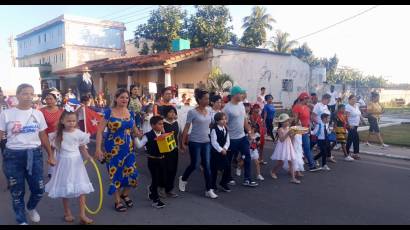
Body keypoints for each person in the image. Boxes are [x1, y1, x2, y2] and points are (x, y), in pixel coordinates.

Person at [0, 83, 56, 225]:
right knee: (17, 192)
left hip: (34, 155)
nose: (29, 96)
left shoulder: (38, 114)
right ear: (17, 95)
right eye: (25, 93)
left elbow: (43, 135)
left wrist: (50, 155)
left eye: (32, 94)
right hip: (13, 156)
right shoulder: (6, 114)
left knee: (39, 189)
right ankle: (21, 220)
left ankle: (30, 208)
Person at [45, 110, 94, 224]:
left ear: (76, 121)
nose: (71, 123)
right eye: (68, 121)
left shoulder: (79, 133)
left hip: (77, 163)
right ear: (62, 121)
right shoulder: (57, 134)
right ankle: (67, 212)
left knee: (82, 189)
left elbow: (82, 147)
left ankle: (82, 215)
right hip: (63, 163)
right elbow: (52, 148)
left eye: (73, 121)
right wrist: (51, 157)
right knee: (65, 188)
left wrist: (88, 157)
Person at [95, 88, 139, 212]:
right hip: (112, 149)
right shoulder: (109, 112)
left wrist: (143, 134)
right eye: (122, 97)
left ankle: (124, 194)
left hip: (128, 149)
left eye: (126, 97)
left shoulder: (131, 113)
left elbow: (134, 130)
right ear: (116, 98)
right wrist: (98, 149)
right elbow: (99, 131)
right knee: (115, 174)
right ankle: (117, 201)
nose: (124, 99)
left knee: (132, 173)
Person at [179, 89, 216, 198]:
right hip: (194, 142)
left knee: (207, 166)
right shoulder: (192, 112)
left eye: (208, 98)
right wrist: (182, 143)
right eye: (205, 98)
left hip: (206, 142)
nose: (208, 100)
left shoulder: (209, 110)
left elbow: (211, 124)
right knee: (194, 164)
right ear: (199, 99)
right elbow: (186, 128)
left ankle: (209, 189)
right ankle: (183, 179)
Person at [223, 86, 258, 187]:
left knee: (247, 157)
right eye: (240, 93)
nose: (242, 95)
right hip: (231, 139)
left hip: (242, 137)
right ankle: (228, 178)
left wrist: (250, 132)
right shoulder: (227, 108)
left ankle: (247, 179)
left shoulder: (241, 105)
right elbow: (224, 123)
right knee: (228, 160)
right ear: (234, 95)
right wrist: (227, 135)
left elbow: (244, 121)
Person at [134, 116, 167, 208]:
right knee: (155, 179)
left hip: (162, 159)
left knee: (162, 178)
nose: (162, 125)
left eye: (162, 124)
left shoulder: (163, 134)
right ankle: (155, 200)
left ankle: (151, 188)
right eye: (159, 124)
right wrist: (136, 137)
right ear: (152, 125)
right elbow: (139, 145)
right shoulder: (148, 135)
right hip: (153, 160)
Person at [292, 92, 320, 172]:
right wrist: (300, 130)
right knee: (302, 148)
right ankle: (310, 165)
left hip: (306, 129)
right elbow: (296, 120)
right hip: (299, 130)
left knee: (306, 148)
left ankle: (309, 164)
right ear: (303, 98)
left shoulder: (307, 107)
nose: (308, 100)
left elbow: (308, 119)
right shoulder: (297, 107)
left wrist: (310, 128)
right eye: (307, 98)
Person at [270, 113, 300, 184]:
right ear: (282, 122)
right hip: (282, 147)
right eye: (286, 121)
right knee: (281, 162)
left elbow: (291, 137)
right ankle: (273, 171)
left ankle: (293, 178)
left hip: (288, 146)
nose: (288, 122)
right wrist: (288, 133)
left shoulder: (288, 128)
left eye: (288, 121)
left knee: (291, 161)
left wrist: (294, 133)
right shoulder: (280, 129)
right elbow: (281, 140)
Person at [158, 106, 180, 198]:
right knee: (164, 169)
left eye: (174, 112)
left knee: (173, 169)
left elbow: (179, 135)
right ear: (166, 113)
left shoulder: (176, 123)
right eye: (170, 112)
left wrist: (180, 145)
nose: (172, 114)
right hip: (163, 150)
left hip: (174, 149)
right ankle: (161, 188)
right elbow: (158, 136)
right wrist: (162, 131)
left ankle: (169, 189)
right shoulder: (162, 123)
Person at [40, 92, 63, 178]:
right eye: (47, 99)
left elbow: (66, 120)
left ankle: (60, 170)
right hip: (47, 136)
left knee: (60, 153)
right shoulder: (41, 111)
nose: (49, 101)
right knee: (51, 153)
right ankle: (52, 172)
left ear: (55, 100)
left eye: (51, 99)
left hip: (59, 135)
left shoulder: (61, 110)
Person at [210, 112, 231, 192]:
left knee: (227, 167)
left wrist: (225, 148)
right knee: (214, 169)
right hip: (215, 152)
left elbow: (227, 140)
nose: (224, 121)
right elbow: (214, 142)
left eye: (225, 119)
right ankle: (212, 185)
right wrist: (220, 150)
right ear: (217, 121)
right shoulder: (214, 129)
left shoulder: (225, 129)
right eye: (222, 119)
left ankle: (223, 183)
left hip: (224, 151)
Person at [345, 95, 363, 160]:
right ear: (349, 100)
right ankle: (350, 153)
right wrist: (349, 124)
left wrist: (361, 120)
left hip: (356, 125)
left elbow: (359, 114)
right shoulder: (348, 107)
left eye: (355, 99)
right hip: (351, 125)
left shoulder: (356, 106)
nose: (354, 100)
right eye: (352, 99)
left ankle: (350, 153)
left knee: (352, 138)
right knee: (355, 138)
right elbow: (346, 117)